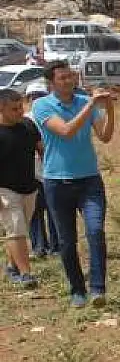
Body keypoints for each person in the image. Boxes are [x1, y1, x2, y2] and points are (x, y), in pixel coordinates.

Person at [32, 60, 114, 308]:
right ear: (52, 82)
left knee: (95, 231)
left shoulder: (82, 103)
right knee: (67, 240)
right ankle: (77, 290)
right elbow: (65, 131)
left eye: (71, 76)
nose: (69, 81)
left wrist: (108, 109)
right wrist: (91, 104)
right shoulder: (42, 105)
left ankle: (97, 288)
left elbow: (105, 136)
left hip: (89, 180)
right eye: (63, 77)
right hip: (57, 182)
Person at [0, 88, 42, 288]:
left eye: (21, 107)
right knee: (16, 229)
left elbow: (42, 150)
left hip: (29, 187)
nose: (20, 112)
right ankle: (26, 274)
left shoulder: (28, 125)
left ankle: (11, 265)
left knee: (18, 229)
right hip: (5, 189)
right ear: (2, 109)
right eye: (15, 109)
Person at [24, 83, 57, 259]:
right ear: (28, 99)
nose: (35, 98)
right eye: (32, 96)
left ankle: (56, 246)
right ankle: (39, 246)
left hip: (52, 170)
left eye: (39, 95)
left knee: (54, 210)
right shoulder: (24, 120)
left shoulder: (53, 116)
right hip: (32, 172)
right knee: (34, 212)